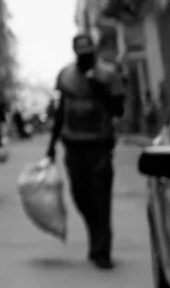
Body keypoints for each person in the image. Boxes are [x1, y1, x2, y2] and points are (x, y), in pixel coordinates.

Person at [46, 34, 125, 269]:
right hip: (73, 145)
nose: (85, 59)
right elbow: (61, 111)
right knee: (80, 196)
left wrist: (99, 90)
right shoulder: (66, 75)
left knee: (101, 197)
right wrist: (50, 146)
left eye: (89, 54)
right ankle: (96, 234)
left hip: (99, 144)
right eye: (81, 55)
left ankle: (102, 250)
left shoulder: (108, 75)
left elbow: (118, 110)